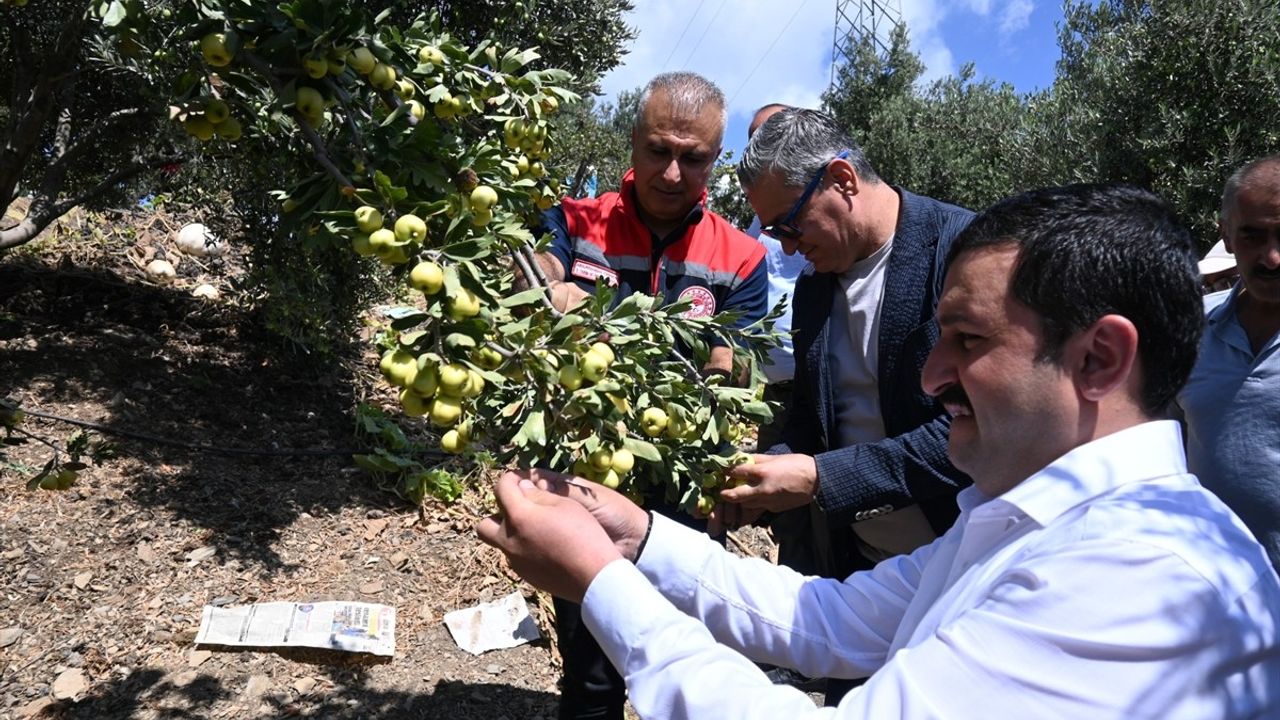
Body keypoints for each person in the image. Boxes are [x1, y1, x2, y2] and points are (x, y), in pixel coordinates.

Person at [478, 183, 1280, 718]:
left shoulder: (1141, 578)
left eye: (966, 341)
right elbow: (823, 617)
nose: (933, 377)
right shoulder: (1020, 522)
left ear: (1099, 360)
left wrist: (600, 580)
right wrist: (640, 541)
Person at [523, 71, 768, 720]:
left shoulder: (742, 256)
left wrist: (718, 362)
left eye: (693, 158)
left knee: (685, 654)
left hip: (679, 489)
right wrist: (544, 283)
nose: (670, 173)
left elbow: (736, 364)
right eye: (658, 150)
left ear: (717, 159)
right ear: (631, 143)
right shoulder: (574, 223)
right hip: (582, 475)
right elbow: (529, 275)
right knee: (591, 658)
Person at [721, 108, 973, 583]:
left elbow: (977, 431)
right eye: (774, 234)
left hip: (961, 572)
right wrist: (762, 475)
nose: (789, 249)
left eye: (789, 225)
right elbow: (809, 416)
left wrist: (820, 479)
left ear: (842, 179)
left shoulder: (963, 253)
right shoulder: (815, 287)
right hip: (862, 573)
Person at [1177, 154, 1280, 569]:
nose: (1272, 257)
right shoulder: (1188, 329)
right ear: (1226, 235)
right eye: (1253, 236)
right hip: (1212, 590)